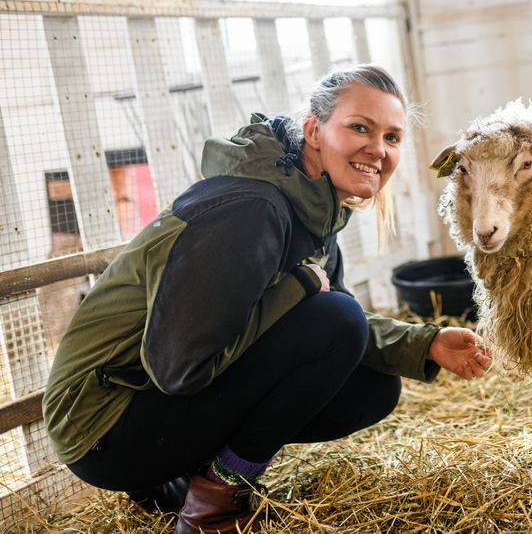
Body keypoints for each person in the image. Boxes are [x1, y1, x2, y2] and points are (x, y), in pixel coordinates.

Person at [43, 65, 493, 534]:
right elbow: (179, 366)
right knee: (337, 320)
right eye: (359, 127)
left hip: (145, 403)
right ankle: (213, 502)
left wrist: (423, 343)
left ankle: (178, 476)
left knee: (373, 387)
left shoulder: (314, 205)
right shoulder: (251, 209)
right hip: (103, 425)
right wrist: (299, 287)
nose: (377, 150)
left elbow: (324, 317)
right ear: (314, 132)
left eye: (393, 137)